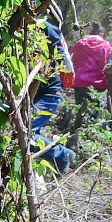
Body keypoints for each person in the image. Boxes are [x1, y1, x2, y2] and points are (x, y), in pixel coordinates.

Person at [30, 18, 76, 173]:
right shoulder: (17, 28)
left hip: (50, 91)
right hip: (33, 92)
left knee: (25, 132)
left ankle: (63, 155)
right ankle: (62, 154)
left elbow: (60, 58)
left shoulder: (46, 28)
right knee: (24, 132)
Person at [69, 23, 112, 124]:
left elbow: (72, 59)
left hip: (80, 81)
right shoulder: (106, 45)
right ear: (102, 34)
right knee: (94, 111)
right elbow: (109, 63)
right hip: (98, 83)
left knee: (79, 109)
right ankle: (89, 131)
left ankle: (76, 131)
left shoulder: (80, 43)